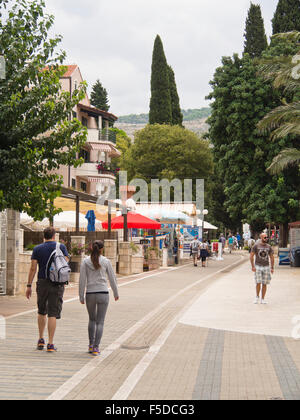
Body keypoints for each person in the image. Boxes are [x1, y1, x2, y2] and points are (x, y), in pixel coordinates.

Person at [26, 227, 69, 352]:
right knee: (53, 314)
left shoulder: (37, 249)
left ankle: (40, 339)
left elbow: (33, 268)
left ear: (43, 236)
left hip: (42, 282)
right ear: (54, 236)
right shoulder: (61, 247)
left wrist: (29, 285)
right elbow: (65, 264)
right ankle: (50, 344)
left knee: (41, 311)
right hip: (57, 283)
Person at [79, 240, 119, 356]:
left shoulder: (85, 262)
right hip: (103, 293)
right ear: (102, 249)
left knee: (92, 319)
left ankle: (91, 345)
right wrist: (116, 293)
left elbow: (82, 280)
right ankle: (96, 347)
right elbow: (112, 278)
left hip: (90, 293)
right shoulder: (106, 261)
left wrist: (81, 295)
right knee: (100, 322)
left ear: (91, 248)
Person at [250, 233, 275, 304]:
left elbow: (272, 257)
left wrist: (272, 267)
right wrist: (253, 266)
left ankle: (263, 298)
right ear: (261, 237)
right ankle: (257, 297)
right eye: (265, 237)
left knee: (265, 283)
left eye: (267, 237)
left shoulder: (269, 247)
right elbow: (251, 256)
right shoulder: (256, 246)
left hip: (266, 266)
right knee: (258, 282)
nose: (266, 238)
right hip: (258, 266)